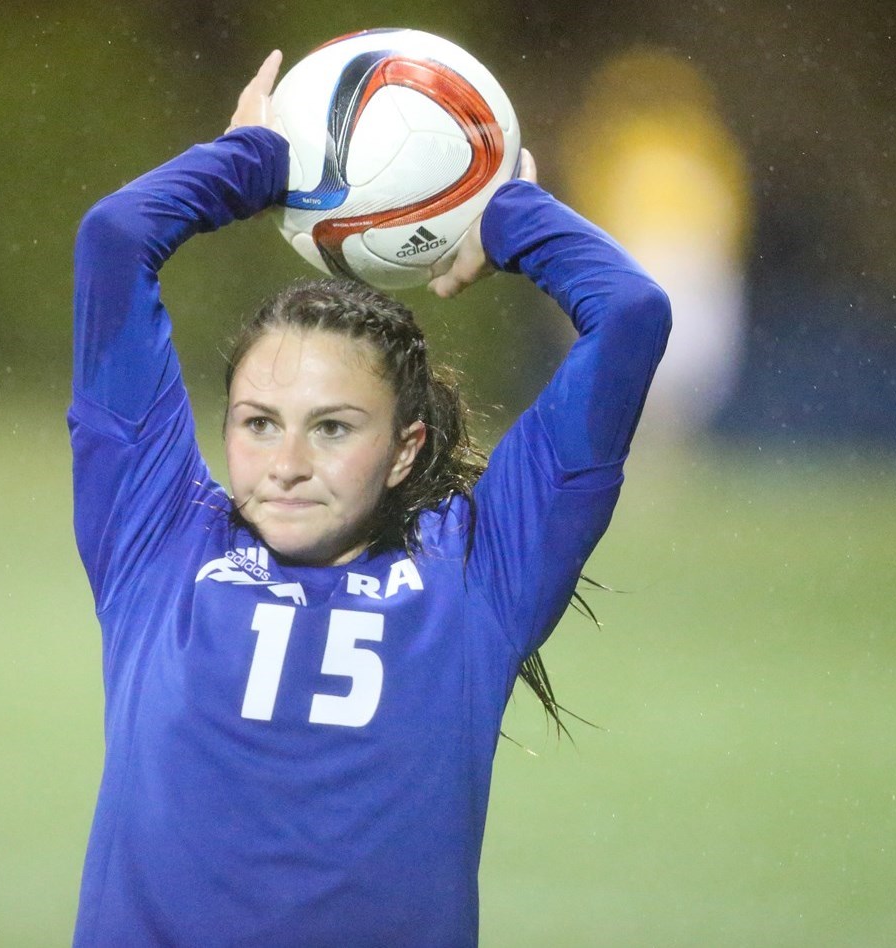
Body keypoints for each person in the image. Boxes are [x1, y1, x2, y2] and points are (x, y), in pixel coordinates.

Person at [68, 49, 670, 946]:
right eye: (258, 422)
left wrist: (504, 214)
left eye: (335, 427)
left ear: (404, 448)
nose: (288, 461)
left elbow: (629, 314)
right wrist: (257, 160)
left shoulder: (481, 572)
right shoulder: (154, 538)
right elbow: (117, 239)